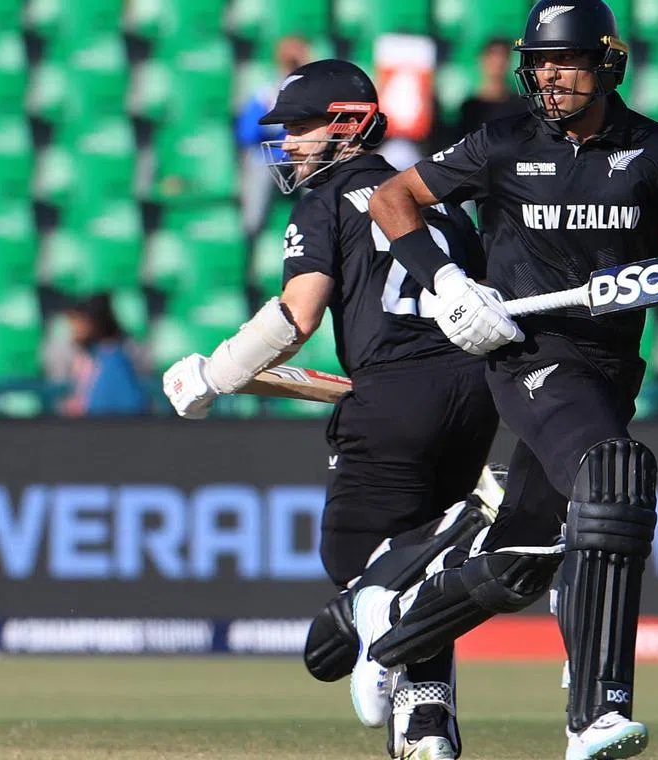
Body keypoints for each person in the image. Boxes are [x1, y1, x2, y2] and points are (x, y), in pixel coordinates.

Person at [348, 3, 658, 759]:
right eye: (541, 63)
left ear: (607, 65)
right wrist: (449, 284)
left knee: (524, 560)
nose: (549, 77)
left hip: (609, 368)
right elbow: (394, 199)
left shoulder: (654, 150)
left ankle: (394, 627)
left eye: (565, 63)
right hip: (529, 355)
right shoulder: (502, 140)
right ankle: (595, 712)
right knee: (614, 476)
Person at [161, 59, 503, 760]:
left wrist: (213, 374)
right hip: (476, 391)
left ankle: (470, 519)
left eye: (298, 129)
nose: (287, 145)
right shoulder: (438, 198)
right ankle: (426, 723)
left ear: (347, 124)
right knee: (414, 577)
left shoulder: (325, 200)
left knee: (350, 554)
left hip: (394, 394)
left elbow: (296, 314)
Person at [235, 36, 314, 235]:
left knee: (318, 167)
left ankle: (320, 227)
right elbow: (246, 134)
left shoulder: (315, 90)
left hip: (303, 154)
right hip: (269, 156)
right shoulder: (266, 93)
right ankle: (251, 236)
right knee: (258, 165)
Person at [59, 293, 147, 416]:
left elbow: (118, 407)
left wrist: (80, 406)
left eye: (78, 322)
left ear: (94, 323)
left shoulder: (113, 359)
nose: (74, 329)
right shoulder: (88, 357)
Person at [456, 38, 526, 137]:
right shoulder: (471, 107)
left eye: (503, 56)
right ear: (482, 60)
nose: (499, 62)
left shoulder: (521, 105)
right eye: (493, 56)